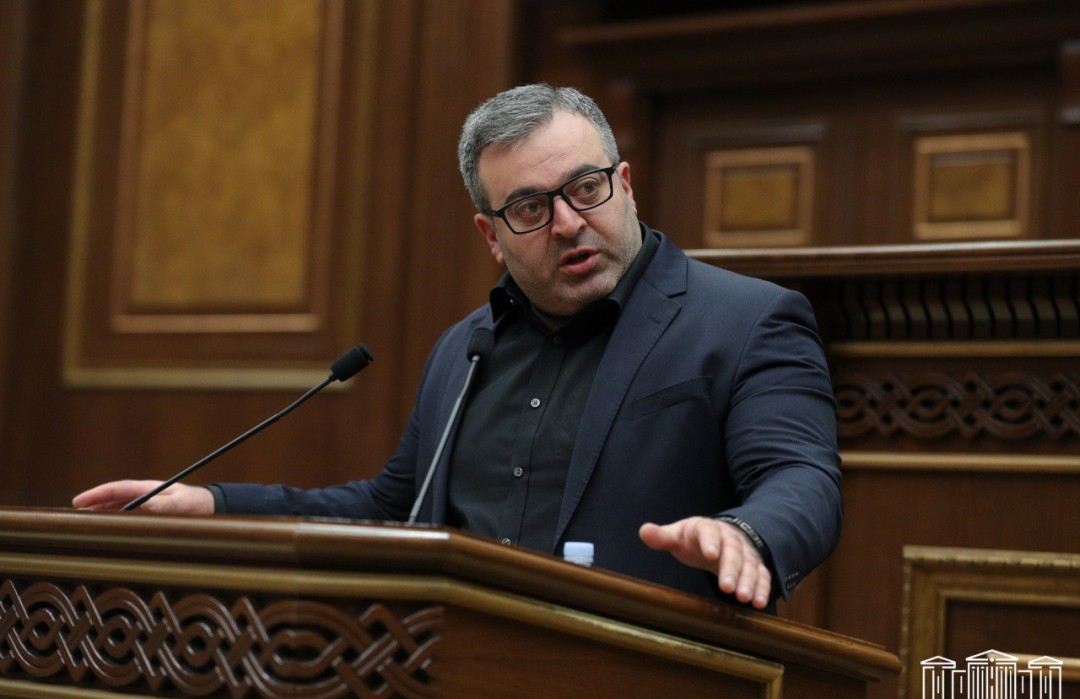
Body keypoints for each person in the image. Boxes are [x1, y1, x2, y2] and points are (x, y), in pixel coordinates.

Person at [74, 84, 842, 613]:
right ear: (490, 235)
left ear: (626, 184)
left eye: (587, 189)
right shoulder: (465, 351)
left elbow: (801, 478)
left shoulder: (744, 321)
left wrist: (745, 534)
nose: (569, 223)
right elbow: (390, 509)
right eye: (530, 207)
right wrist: (211, 504)